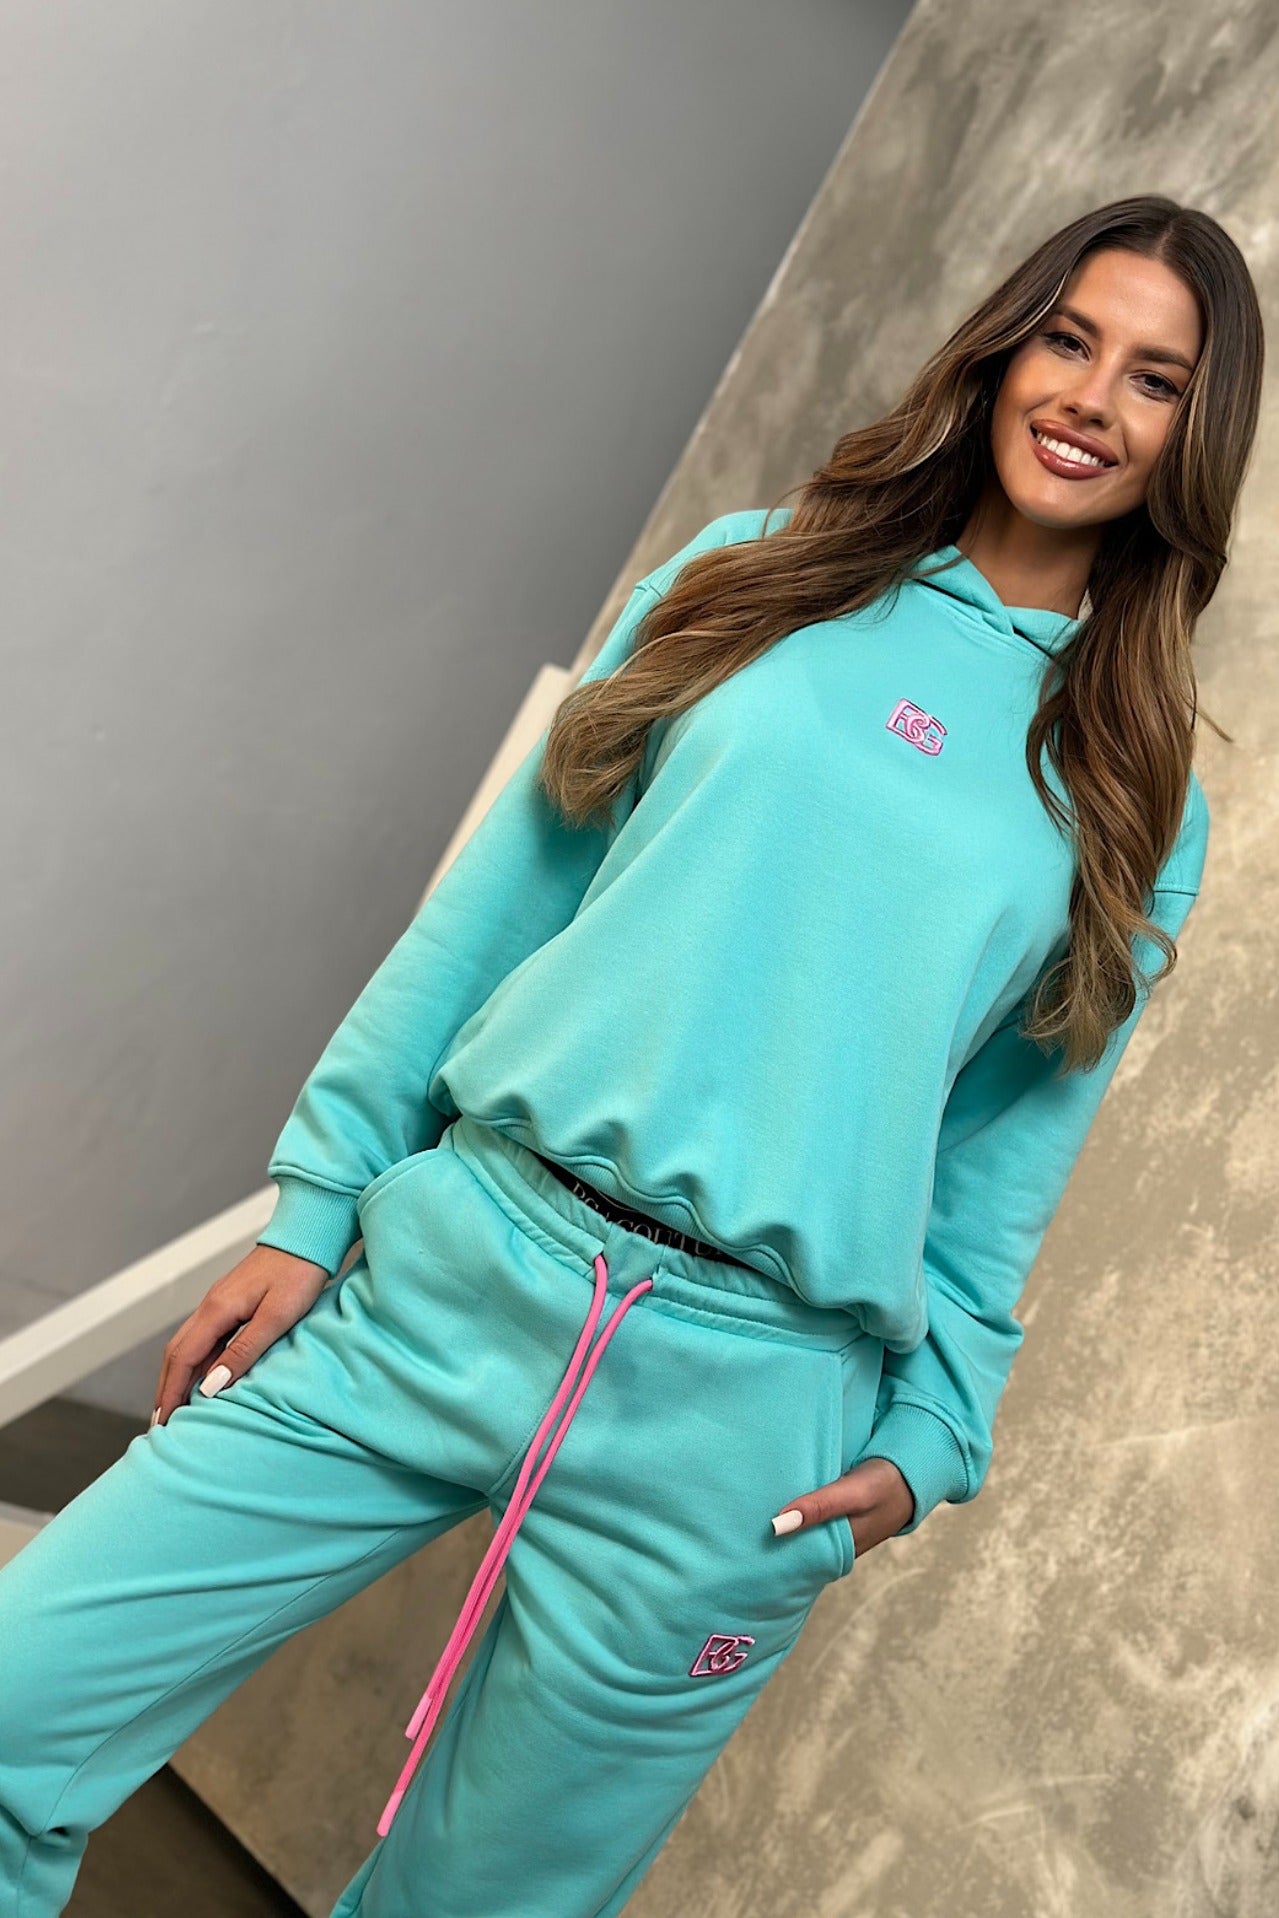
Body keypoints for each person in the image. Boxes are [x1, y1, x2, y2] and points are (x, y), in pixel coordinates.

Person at [0, 191, 1260, 1917]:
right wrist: (319, 1195)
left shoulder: (1134, 789)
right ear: (1002, 349)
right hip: (468, 1271)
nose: (1092, 399)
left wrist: (929, 1439)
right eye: (1070, 338)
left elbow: (1000, 1159)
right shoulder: (752, 577)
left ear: (1197, 434)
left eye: (1156, 379)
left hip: (744, 1420)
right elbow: (496, 912)